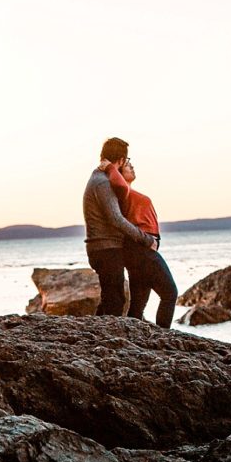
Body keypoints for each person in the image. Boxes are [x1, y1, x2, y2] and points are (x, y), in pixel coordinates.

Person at [82, 137, 158, 316]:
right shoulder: (102, 183)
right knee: (115, 300)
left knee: (112, 298)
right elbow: (116, 219)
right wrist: (146, 239)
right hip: (105, 249)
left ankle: (96, 335)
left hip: (104, 248)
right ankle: (103, 341)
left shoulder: (101, 178)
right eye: (127, 160)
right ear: (122, 160)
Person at [99, 157, 178, 328]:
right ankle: (164, 338)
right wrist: (111, 167)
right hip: (140, 249)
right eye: (127, 165)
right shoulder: (122, 191)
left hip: (137, 251)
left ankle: (131, 341)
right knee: (170, 293)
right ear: (119, 173)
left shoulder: (127, 192)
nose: (132, 166)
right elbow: (118, 185)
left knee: (137, 307)